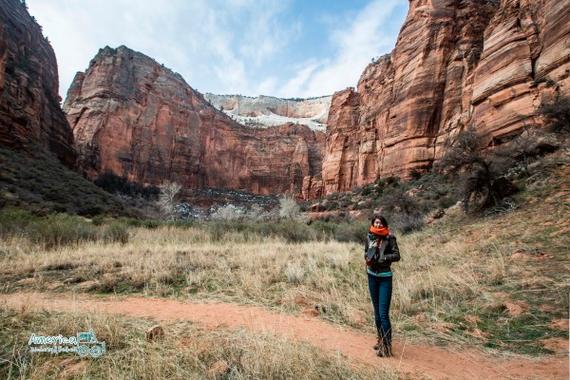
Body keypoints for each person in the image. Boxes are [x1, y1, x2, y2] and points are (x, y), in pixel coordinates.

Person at [364, 215, 400, 357]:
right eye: (376, 222)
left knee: (383, 314)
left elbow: (397, 255)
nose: (378, 225)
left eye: (380, 223)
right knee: (377, 314)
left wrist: (384, 258)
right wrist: (368, 257)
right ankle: (380, 340)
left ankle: (387, 347)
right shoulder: (369, 237)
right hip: (372, 276)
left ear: (384, 224)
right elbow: (365, 252)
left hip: (385, 278)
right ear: (373, 224)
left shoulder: (390, 238)